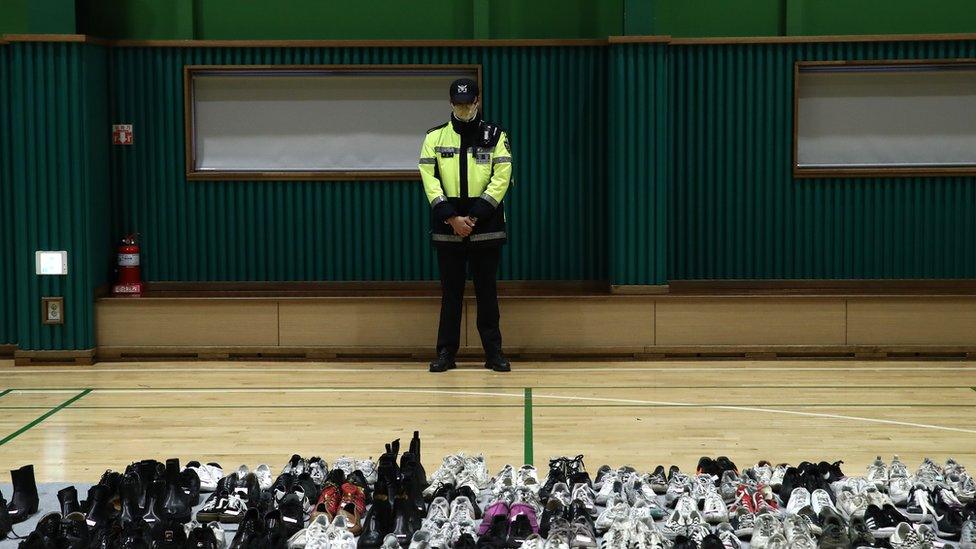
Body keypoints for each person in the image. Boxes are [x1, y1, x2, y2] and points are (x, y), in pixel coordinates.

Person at [418, 77, 513, 373]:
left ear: (477, 102)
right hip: (449, 228)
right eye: (458, 104)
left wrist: (473, 217)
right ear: (450, 104)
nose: (463, 109)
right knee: (451, 294)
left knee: (487, 292)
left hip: (486, 226)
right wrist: (451, 217)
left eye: (468, 103)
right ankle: (446, 354)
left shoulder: (496, 135)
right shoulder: (434, 137)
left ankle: (493, 353)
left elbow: (502, 177)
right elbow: (429, 180)